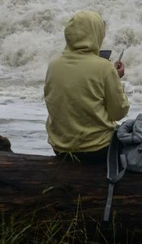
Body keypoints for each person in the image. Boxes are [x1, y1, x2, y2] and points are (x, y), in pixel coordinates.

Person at [44, 10, 129, 164]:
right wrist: (115, 80)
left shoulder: (53, 65)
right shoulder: (104, 67)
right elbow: (119, 112)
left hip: (60, 148)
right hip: (96, 149)